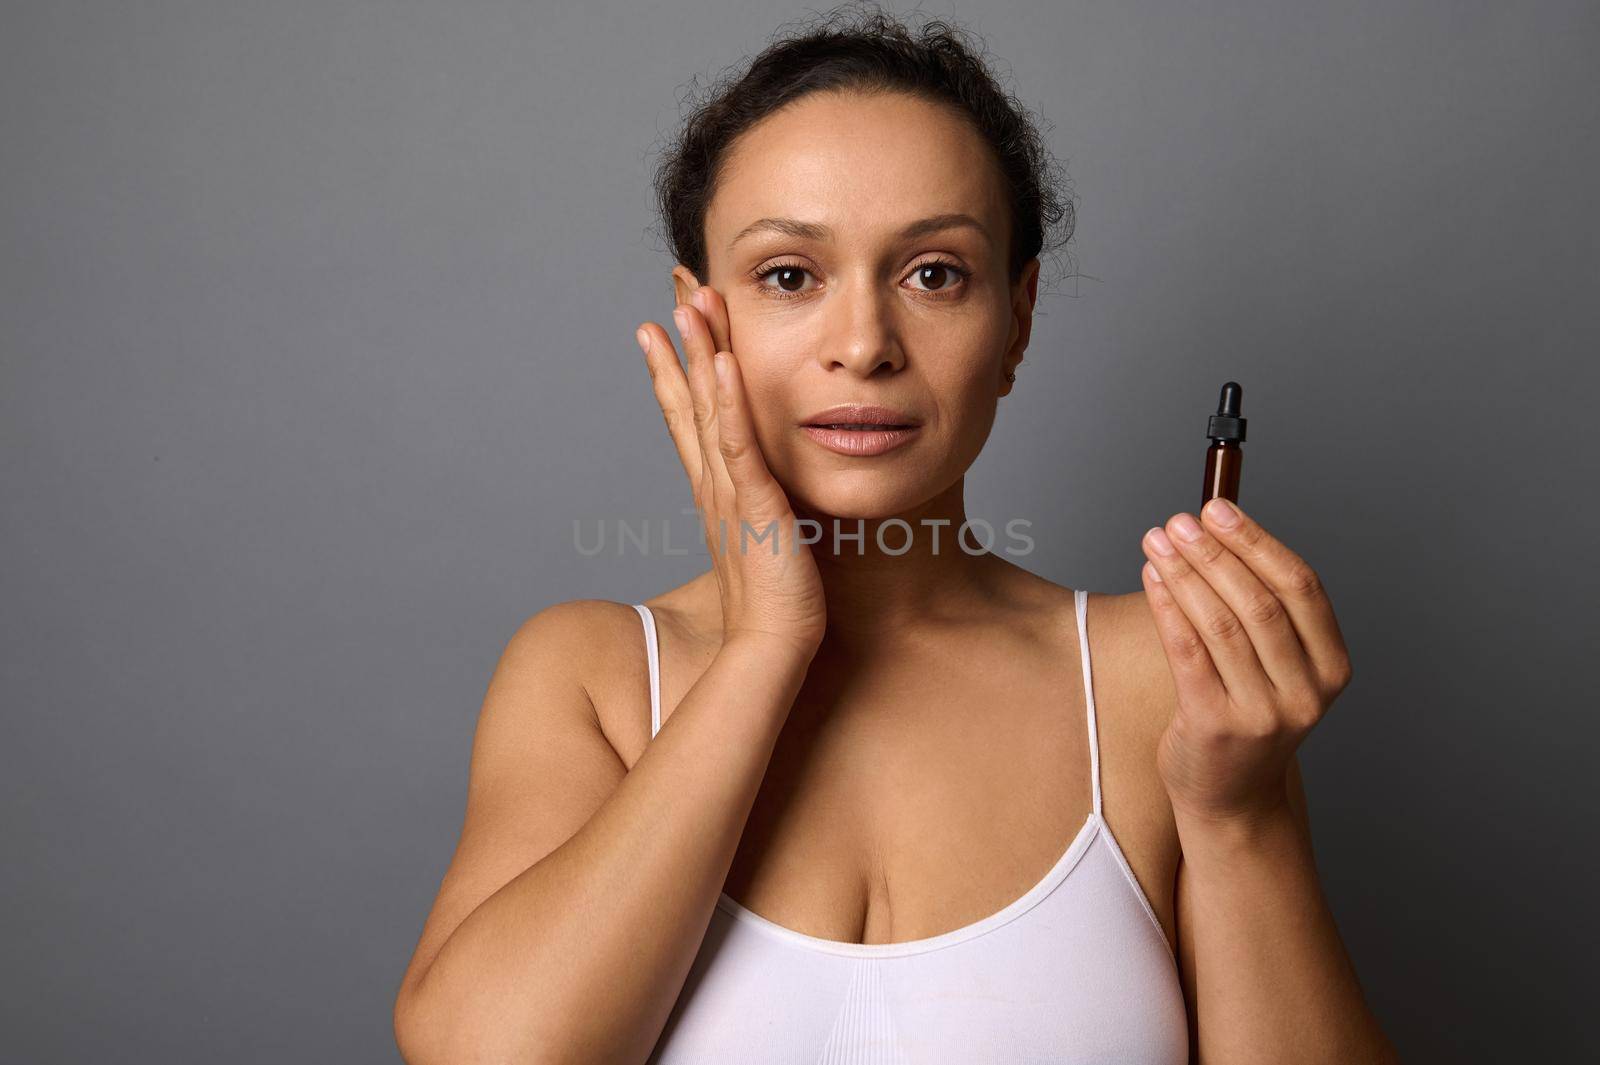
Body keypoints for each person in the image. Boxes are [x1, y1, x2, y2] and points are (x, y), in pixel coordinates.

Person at [393, 6, 1399, 1063]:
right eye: (789, 275)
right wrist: (763, 644)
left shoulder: (1163, 682)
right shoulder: (590, 675)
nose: (865, 345)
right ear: (702, 322)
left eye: (934, 274)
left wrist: (1243, 818)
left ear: (1016, 320)